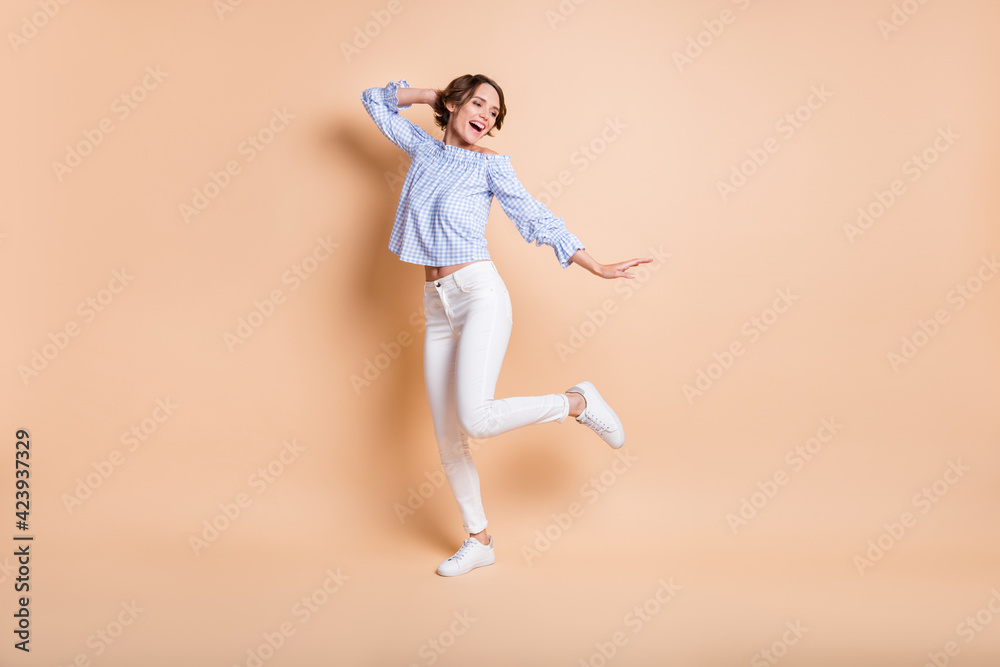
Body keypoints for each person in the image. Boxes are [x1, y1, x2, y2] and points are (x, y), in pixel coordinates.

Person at [360, 74, 651, 577]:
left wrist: (598, 266)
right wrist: (432, 95)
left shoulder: (490, 168)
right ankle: (479, 540)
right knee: (448, 437)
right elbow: (373, 100)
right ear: (455, 105)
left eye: (493, 112)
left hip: (480, 296)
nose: (485, 116)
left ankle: (577, 403)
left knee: (476, 418)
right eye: (477, 103)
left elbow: (537, 219)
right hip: (436, 305)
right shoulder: (422, 148)